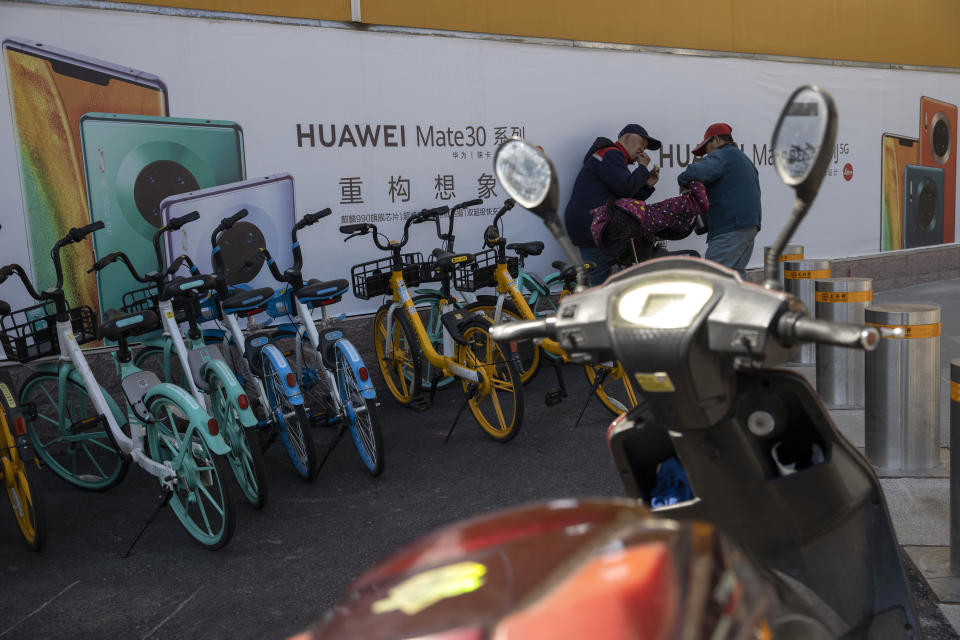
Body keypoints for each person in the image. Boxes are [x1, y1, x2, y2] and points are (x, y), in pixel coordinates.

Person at [563, 124, 661, 286]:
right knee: (599, 283)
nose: (642, 149)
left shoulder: (612, 157)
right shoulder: (611, 154)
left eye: (645, 147)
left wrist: (648, 184)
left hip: (590, 224)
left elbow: (626, 196)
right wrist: (642, 168)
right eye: (641, 143)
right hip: (593, 226)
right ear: (626, 137)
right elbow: (626, 188)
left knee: (599, 277)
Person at [676, 123, 761, 277]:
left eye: (706, 148)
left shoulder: (722, 155)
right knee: (735, 278)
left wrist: (682, 180)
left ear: (715, 140)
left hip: (731, 227)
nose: (706, 155)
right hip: (748, 226)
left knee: (712, 277)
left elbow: (696, 171)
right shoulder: (743, 158)